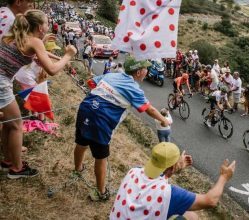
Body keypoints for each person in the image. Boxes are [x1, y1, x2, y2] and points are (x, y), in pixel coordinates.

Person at [74, 56, 169, 201]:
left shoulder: (112, 75)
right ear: (138, 72)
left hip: (86, 108)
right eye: (145, 69)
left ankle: (78, 169)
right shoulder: (134, 89)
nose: (147, 71)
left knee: (81, 143)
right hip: (101, 120)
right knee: (101, 158)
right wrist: (164, 121)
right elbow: (149, 110)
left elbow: (91, 82)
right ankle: (101, 192)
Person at [0, 9, 76, 178]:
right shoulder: (35, 41)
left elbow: (39, 54)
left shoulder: (18, 35)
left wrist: (58, 57)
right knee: (17, 125)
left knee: (9, 123)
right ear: (40, 27)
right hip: (1, 82)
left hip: (2, 80)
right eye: (47, 23)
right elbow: (52, 70)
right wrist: (68, 55)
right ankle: (17, 169)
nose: (48, 26)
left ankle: (7, 160)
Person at [110, 142, 236, 220]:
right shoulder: (171, 194)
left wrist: (175, 167)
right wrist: (224, 177)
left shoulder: (134, 171)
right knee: (192, 217)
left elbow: (157, 178)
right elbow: (210, 200)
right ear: (171, 167)